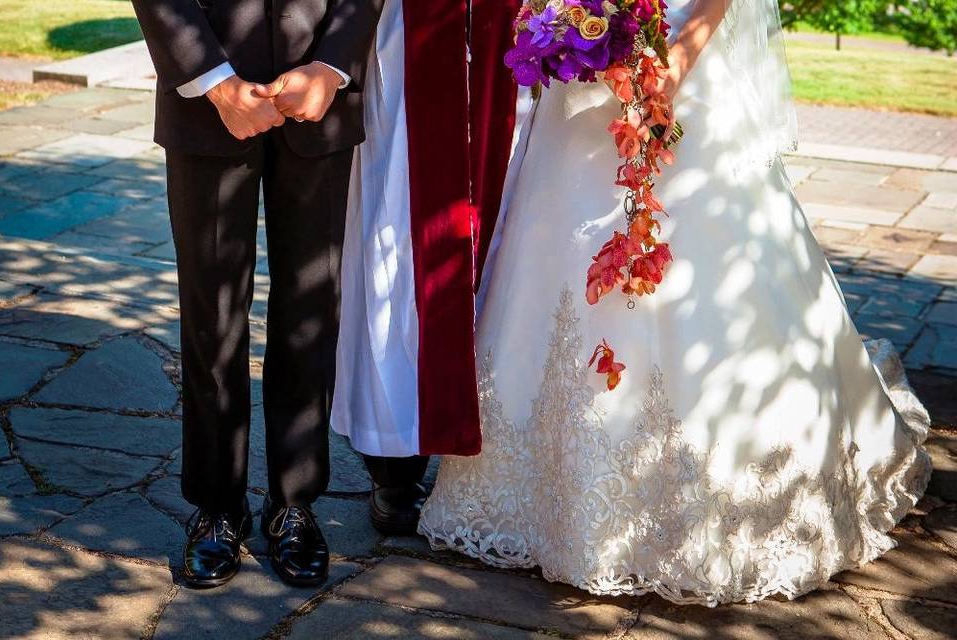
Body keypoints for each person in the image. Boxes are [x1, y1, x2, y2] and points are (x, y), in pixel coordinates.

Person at [417, 0, 932, 605]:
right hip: (577, 93)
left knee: (691, 260)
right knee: (560, 249)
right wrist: (560, 29)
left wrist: (670, 64)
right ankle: (551, 498)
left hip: (683, 72)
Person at [129, 0, 395, 588]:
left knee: (312, 309)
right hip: (206, 102)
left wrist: (330, 66)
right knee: (211, 313)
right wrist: (216, 84)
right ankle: (218, 507)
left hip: (319, 103)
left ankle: (293, 505)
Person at [331, 0, 520, 533]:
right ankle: (395, 458)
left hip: (513, 37)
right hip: (411, 34)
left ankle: (510, 451)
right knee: (398, 234)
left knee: (511, 227)